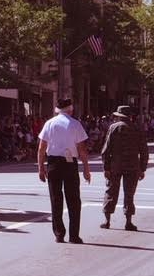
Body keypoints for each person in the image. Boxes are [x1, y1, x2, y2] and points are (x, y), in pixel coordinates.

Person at [37, 98, 91, 244]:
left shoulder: (49, 123)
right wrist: (86, 168)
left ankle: (59, 234)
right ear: (70, 109)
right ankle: (74, 235)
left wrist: (41, 168)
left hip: (53, 163)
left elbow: (42, 148)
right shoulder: (75, 124)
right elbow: (82, 149)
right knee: (74, 200)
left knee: (56, 199)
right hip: (69, 164)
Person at [100, 105, 149, 231]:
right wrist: (142, 168)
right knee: (129, 194)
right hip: (132, 166)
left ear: (119, 116)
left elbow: (106, 149)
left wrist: (106, 167)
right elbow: (144, 151)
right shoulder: (137, 129)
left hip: (115, 165)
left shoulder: (113, 128)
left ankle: (107, 221)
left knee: (111, 192)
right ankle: (128, 222)